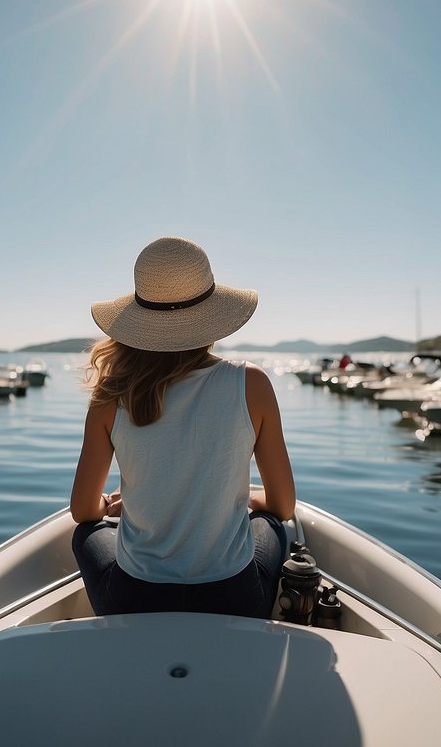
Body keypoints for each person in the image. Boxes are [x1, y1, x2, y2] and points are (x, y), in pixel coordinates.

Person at [70, 236, 296, 620]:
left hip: (135, 602)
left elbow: (82, 510)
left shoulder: (112, 394)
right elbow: (283, 505)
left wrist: (113, 505)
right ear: (212, 316)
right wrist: (247, 500)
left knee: (86, 534)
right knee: (272, 525)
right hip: (234, 603)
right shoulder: (252, 383)